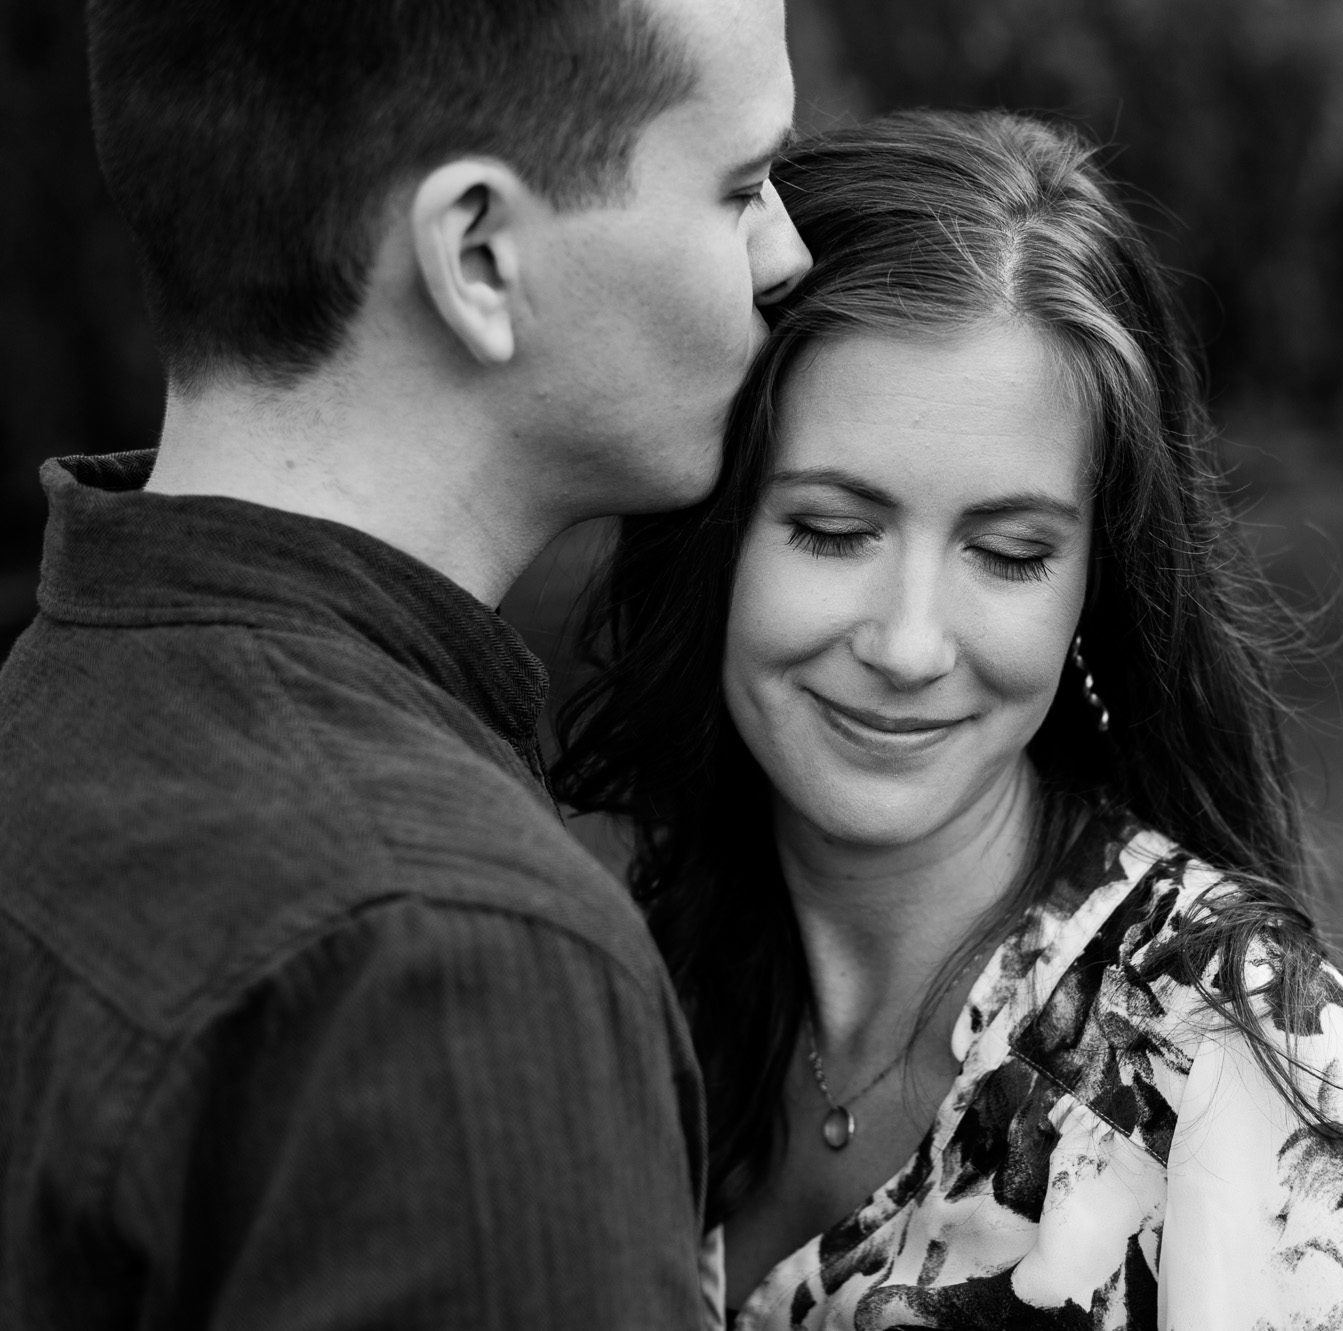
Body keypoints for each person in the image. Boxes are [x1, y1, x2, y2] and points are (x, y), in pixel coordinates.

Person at [556, 110, 1343, 1329]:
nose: (909, 642)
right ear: (704, 536)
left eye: (1008, 551)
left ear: (1095, 586)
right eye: (832, 528)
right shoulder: (603, 971)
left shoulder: (1234, 1075)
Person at [0, 1, 809, 1326]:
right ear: (480, 255)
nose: (789, 252)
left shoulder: (55, 727)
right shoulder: (456, 962)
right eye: (740, 187)